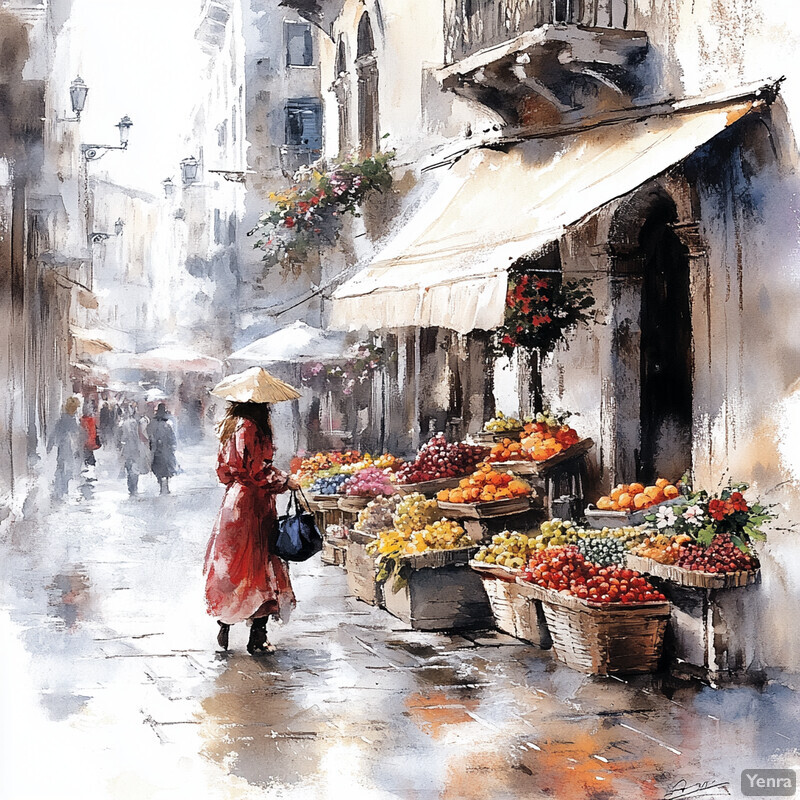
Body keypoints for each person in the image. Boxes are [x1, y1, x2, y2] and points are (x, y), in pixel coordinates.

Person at [203, 367, 301, 655]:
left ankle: (225, 624)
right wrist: (285, 480)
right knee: (259, 566)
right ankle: (257, 637)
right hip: (254, 506)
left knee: (233, 567)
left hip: (233, 503)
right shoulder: (251, 428)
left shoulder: (231, 427)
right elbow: (257, 472)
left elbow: (224, 472)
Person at [48, 397, 85, 499]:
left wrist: (49, 446)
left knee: (61, 468)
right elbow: (76, 435)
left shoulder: (62, 419)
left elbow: (53, 434)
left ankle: (59, 490)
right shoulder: (72, 421)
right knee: (67, 469)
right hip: (68, 447)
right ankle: (62, 491)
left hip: (62, 447)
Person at [118, 405, 150, 496]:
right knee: (135, 468)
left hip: (128, 449)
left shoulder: (124, 423)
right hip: (136, 449)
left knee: (129, 467)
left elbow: (122, 437)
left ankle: (131, 488)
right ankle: (134, 487)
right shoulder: (138, 422)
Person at [147, 403, 178, 495]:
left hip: (161, 450)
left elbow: (171, 437)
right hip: (162, 450)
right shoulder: (165, 424)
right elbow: (171, 438)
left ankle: (163, 486)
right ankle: (164, 486)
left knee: (162, 468)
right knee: (163, 468)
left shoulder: (158, 424)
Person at [80, 399, 100, 466]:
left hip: (87, 443)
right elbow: (91, 432)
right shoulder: (90, 420)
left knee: (87, 457)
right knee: (89, 458)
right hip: (89, 443)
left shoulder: (84, 420)